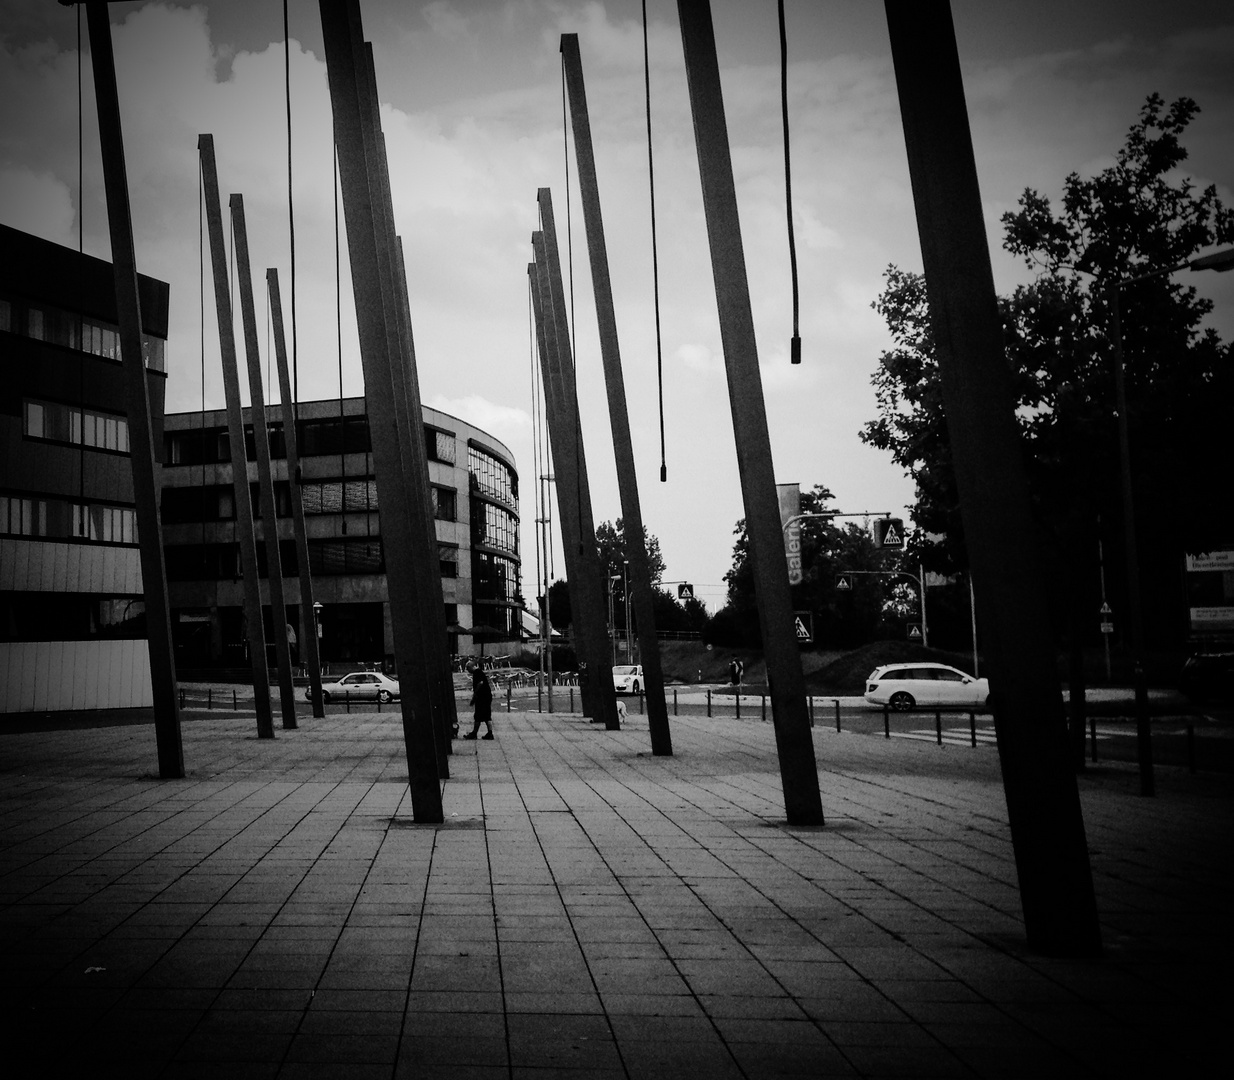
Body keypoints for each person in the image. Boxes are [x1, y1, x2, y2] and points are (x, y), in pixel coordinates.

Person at [463, 664, 494, 740]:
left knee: (478, 715)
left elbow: (480, 683)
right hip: (486, 696)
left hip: (482, 697)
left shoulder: (477, 673)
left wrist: (475, 693)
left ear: (472, 666)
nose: (468, 670)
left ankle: (474, 733)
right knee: (486, 715)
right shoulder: (479, 672)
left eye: (468, 668)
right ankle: (489, 733)